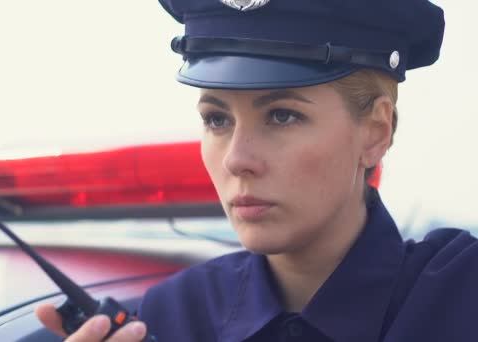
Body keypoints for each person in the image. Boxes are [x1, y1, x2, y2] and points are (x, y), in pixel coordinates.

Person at [36, 0, 478, 341]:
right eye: (217, 119)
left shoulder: (461, 298)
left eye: (282, 116)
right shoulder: (173, 315)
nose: (236, 158)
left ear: (375, 132)